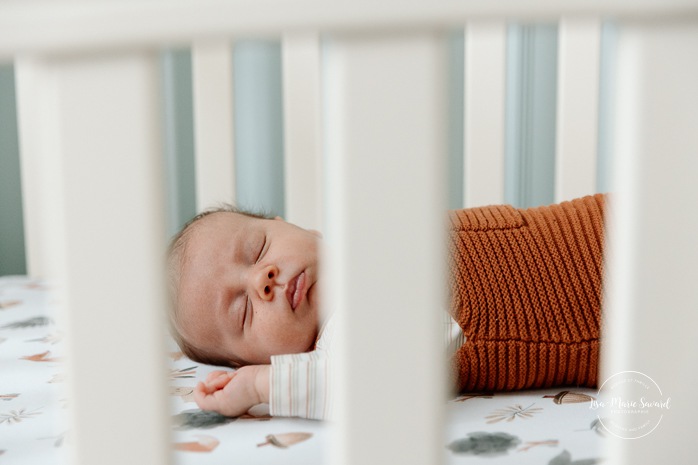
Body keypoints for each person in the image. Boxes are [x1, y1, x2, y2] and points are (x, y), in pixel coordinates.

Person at [167, 193, 606, 420]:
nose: (263, 280)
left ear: (289, 225)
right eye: (243, 311)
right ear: (257, 360)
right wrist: (261, 388)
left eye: (258, 247)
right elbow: (369, 386)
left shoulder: (369, 236)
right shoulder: (342, 339)